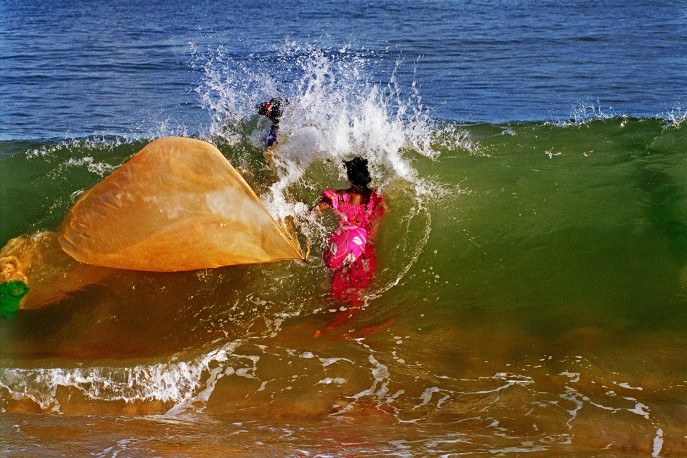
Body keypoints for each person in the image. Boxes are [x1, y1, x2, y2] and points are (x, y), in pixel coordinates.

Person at [313, 157, 386, 337]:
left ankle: (326, 324)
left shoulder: (335, 196)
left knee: (336, 291)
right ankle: (329, 329)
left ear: (349, 177)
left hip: (340, 250)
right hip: (362, 252)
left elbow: (312, 215)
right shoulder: (375, 198)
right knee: (357, 298)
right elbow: (374, 231)